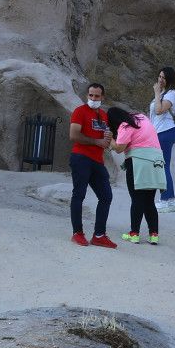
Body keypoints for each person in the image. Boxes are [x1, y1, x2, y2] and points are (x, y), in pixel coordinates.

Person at [107, 106, 165, 244]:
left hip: (138, 162)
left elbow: (119, 149)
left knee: (137, 199)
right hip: (156, 161)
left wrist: (110, 139)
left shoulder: (125, 126)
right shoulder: (141, 117)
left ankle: (134, 234)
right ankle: (154, 235)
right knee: (149, 201)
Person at [67, 82, 116, 248]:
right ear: (87, 95)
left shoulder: (104, 115)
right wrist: (97, 141)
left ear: (102, 97)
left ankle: (99, 235)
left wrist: (108, 139)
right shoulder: (80, 111)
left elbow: (107, 140)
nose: (93, 98)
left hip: (97, 161)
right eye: (91, 95)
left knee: (106, 196)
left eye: (97, 96)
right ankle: (77, 233)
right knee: (79, 194)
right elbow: (73, 135)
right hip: (81, 157)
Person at [150, 66, 175, 212]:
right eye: (159, 76)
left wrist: (157, 93)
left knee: (162, 165)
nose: (160, 80)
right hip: (160, 132)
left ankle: (167, 199)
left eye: (163, 78)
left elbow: (159, 111)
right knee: (162, 165)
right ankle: (168, 199)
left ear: (169, 80)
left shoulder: (171, 94)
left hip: (166, 132)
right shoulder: (165, 93)